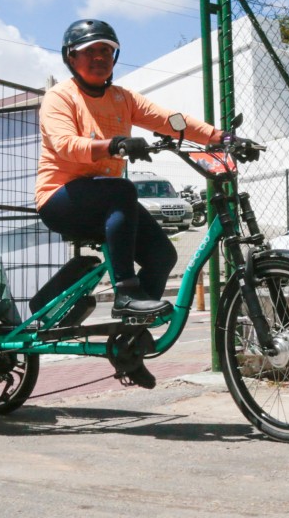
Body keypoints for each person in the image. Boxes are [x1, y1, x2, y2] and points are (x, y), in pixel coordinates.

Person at [36, 19, 222, 386]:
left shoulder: (122, 98)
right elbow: (65, 144)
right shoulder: (61, 97)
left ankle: (130, 342)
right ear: (71, 58)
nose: (100, 57)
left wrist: (221, 137)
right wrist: (114, 144)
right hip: (60, 198)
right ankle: (125, 293)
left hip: (106, 201)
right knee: (122, 190)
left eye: (106, 50)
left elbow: (171, 120)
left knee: (162, 255)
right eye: (90, 51)